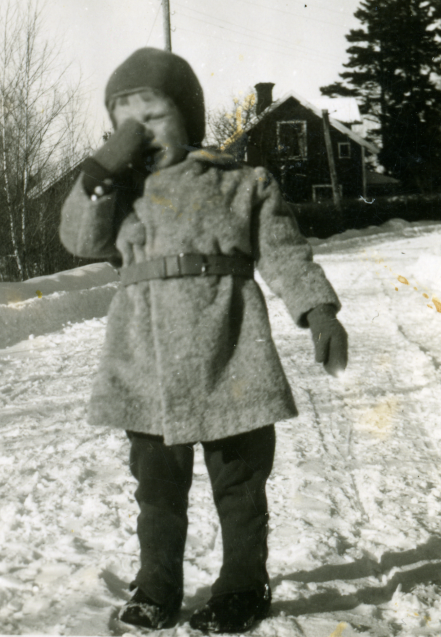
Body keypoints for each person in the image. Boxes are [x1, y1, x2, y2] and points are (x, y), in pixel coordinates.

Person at [59, 47, 348, 634]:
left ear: (190, 115)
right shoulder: (119, 193)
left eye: (153, 112)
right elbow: (79, 240)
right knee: (156, 490)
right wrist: (99, 171)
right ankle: (157, 588)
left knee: (240, 484)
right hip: (146, 362)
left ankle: (243, 586)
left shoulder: (242, 183)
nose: (139, 128)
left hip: (230, 350)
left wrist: (318, 310)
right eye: (124, 118)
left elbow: (285, 254)